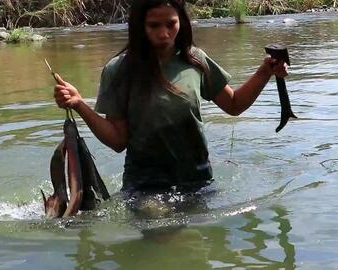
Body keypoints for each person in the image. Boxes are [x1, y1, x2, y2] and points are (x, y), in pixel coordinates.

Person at [53, 0, 288, 195]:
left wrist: (265, 71)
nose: (164, 33)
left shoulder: (195, 60)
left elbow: (234, 105)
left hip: (198, 181)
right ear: (140, 26)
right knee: (163, 233)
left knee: (199, 248)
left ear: (181, 22)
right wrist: (79, 104)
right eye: (153, 25)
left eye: (171, 24)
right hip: (145, 186)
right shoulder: (119, 70)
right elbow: (117, 141)